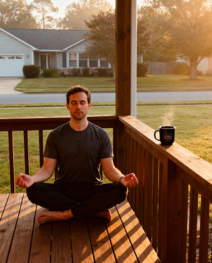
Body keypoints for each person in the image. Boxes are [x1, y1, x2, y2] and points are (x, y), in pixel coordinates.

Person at [16, 85, 138, 224]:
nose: (78, 106)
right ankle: (92, 211)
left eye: (82, 102)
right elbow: (47, 169)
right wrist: (32, 179)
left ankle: (65, 214)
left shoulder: (101, 135)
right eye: (74, 103)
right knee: (33, 190)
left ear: (89, 105)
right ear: (67, 106)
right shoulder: (56, 135)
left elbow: (109, 170)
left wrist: (122, 178)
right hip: (64, 190)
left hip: (92, 190)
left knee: (120, 190)